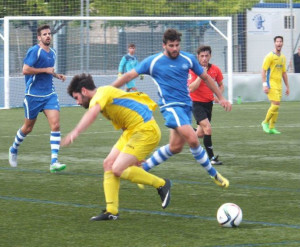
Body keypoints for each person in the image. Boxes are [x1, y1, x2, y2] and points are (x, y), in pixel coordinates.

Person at [112, 28, 231, 188]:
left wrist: (221, 97)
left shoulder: (188, 59)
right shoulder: (153, 62)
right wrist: (108, 91)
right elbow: (128, 76)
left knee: (175, 147)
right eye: (171, 45)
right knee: (193, 139)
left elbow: (206, 78)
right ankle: (214, 174)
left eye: (177, 45)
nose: (175, 48)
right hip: (170, 107)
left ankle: (143, 169)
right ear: (164, 45)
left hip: (185, 107)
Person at [61, 73, 171, 221]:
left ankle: (162, 184)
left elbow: (92, 114)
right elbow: (124, 117)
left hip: (145, 130)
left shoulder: (101, 93)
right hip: (131, 132)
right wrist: (135, 154)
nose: (78, 102)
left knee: (118, 169)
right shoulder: (104, 96)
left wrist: (75, 132)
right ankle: (111, 211)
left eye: (77, 97)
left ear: (84, 91)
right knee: (108, 164)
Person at [8, 24, 67, 173]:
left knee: (56, 125)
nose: (48, 36)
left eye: (49, 34)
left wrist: (56, 74)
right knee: (27, 128)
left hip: (49, 94)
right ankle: (14, 148)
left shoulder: (52, 53)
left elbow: (48, 71)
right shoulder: (34, 51)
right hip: (33, 95)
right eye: (45, 34)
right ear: (39, 37)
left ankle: (54, 162)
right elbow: (25, 70)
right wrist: (45, 70)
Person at [188, 45, 224, 165]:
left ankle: (184, 131)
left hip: (209, 104)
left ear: (210, 56)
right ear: (198, 57)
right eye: (202, 56)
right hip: (196, 103)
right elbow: (191, 88)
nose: (204, 58)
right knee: (208, 128)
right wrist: (201, 75)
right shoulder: (193, 70)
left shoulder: (215, 69)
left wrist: (219, 97)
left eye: (206, 56)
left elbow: (221, 85)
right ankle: (212, 158)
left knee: (200, 134)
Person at [261, 36, 290, 134]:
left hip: (279, 85)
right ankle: (265, 122)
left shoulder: (283, 58)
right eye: (277, 41)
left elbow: (284, 73)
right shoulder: (269, 56)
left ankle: (272, 127)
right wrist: (265, 85)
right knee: (276, 104)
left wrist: (287, 86)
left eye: (280, 41)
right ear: (274, 43)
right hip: (271, 84)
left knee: (276, 106)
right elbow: (263, 71)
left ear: (282, 43)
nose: (279, 43)